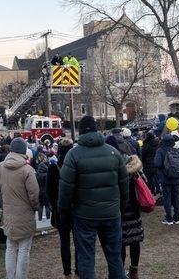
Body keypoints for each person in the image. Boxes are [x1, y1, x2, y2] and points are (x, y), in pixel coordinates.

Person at [58, 116, 129, 279]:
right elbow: (125, 185)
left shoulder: (73, 155)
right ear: (97, 130)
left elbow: (65, 189)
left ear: (80, 132)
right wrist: (120, 207)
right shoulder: (113, 152)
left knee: (86, 259)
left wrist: (64, 212)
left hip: (84, 215)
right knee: (115, 258)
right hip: (111, 213)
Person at [0, 137, 39, 279]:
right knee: (24, 249)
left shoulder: (0, 167)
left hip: (9, 214)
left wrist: (7, 201)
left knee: (11, 247)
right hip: (25, 214)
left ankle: (10, 276)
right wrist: (34, 207)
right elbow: (34, 194)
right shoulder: (27, 170)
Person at [47, 139, 78, 278]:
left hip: (60, 209)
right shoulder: (77, 165)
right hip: (76, 208)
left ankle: (67, 272)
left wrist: (54, 205)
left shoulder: (53, 168)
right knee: (79, 241)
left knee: (64, 241)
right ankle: (78, 269)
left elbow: (49, 191)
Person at [121, 154, 144, 279]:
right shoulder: (136, 173)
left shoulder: (117, 174)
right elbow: (146, 185)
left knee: (121, 243)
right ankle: (134, 271)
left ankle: (121, 269)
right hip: (135, 212)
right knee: (135, 241)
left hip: (121, 213)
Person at [154, 134, 179, 225]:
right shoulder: (176, 150)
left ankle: (169, 218)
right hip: (176, 178)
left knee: (167, 198)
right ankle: (177, 218)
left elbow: (157, 164)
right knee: (176, 197)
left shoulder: (160, 150)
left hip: (165, 178)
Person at [35, 153, 50, 221]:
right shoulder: (47, 174)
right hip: (46, 191)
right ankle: (48, 219)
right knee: (47, 205)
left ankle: (40, 219)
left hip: (39, 191)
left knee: (40, 205)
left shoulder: (36, 174)